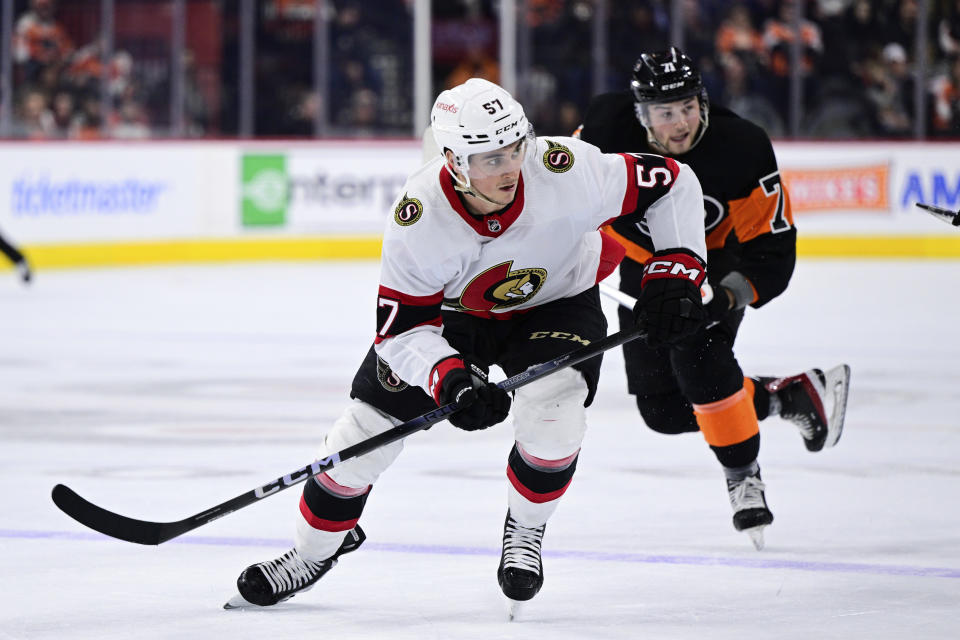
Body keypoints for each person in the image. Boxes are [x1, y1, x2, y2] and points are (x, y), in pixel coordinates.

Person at [228, 78, 707, 612]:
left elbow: (673, 184)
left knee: (555, 412)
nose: (509, 168)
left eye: (514, 148)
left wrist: (678, 268)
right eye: (488, 159)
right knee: (362, 434)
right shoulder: (419, 217)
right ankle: (312, 553)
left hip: (558, 301)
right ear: (454, 161)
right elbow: (404, 331)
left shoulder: (565, 169)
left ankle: (525, 531)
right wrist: (451, 378)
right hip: (455, 317)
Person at [575, 48, 850, 549]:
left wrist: (721, 300)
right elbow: (561, 190)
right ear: (641, 115)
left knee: (699, 360)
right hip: (640, 268)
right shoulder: (604, 129)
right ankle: (784, 396)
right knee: (662, 412)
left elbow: (770, 250)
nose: (681, 122)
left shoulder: (741, 148)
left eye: (688, 106)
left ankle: (743, 475)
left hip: (709, 269)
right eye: (665, 112)